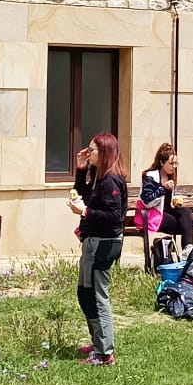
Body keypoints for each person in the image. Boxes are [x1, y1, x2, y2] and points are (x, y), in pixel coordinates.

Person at [70, 131, 128, 366]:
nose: (89, 152)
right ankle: (98, 343)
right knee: (85, 293)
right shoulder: (99, 177)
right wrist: (81, 169)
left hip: (103, 244)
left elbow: (115, 216)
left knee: (97, 295)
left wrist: (85, 213)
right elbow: (84, 195)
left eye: (92, 150)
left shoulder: (111, 180)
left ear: (104, 152)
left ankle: (105, 354)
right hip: (92, 241)